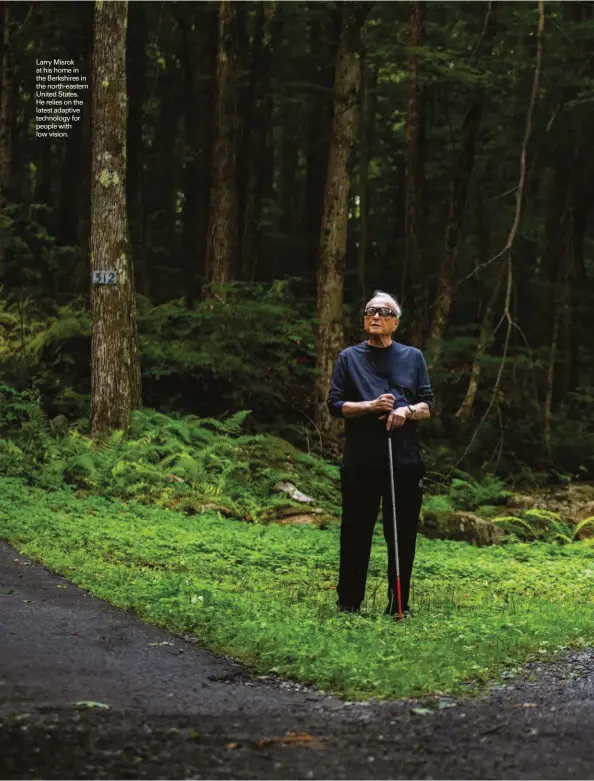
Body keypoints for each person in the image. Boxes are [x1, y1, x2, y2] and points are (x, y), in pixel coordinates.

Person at [326, 291, 434, 617]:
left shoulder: (413, 357)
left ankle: (398, 605)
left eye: (384, 312)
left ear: (395, 322)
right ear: (364, 319)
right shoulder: (348, 358)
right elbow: (335, 405)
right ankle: (349, 605)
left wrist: (407, 411)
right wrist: (370, 406)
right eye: (370, 311)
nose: (375, 316)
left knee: (400, 535)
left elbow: (428, 405)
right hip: (361, 460)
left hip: (403, 459)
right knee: (356, 532)